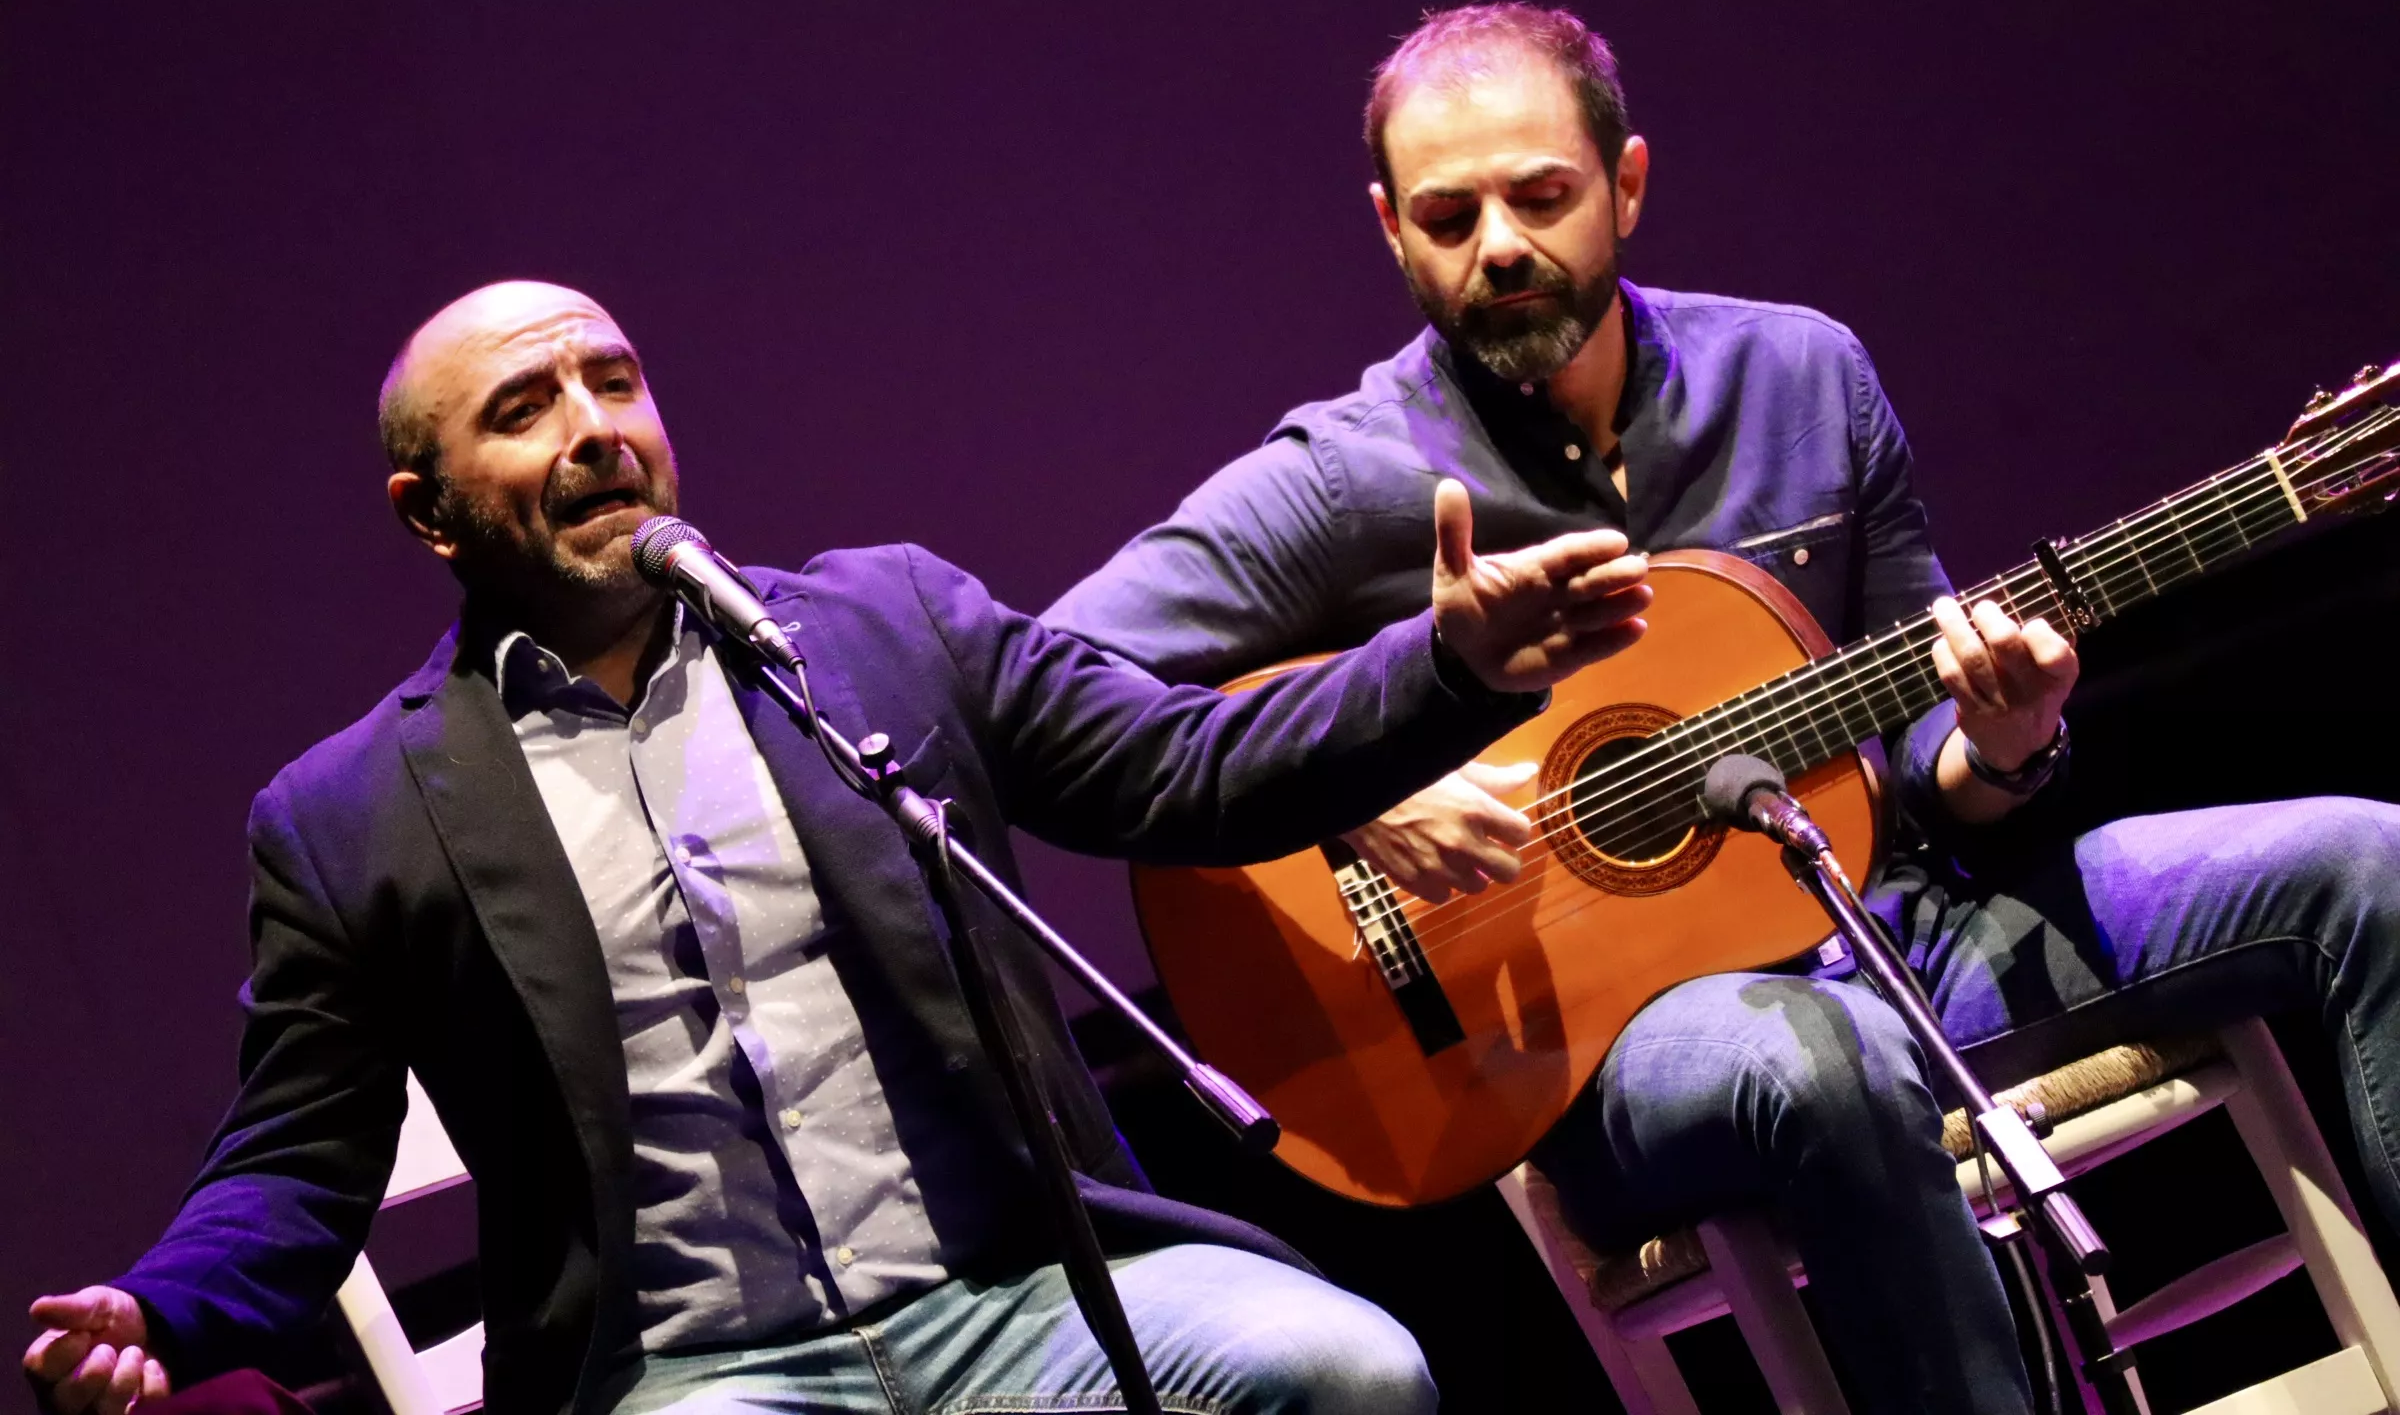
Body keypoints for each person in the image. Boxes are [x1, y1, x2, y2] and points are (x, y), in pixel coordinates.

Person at [1041, 3, 2400, 1412]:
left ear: (1626, 184)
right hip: (1634, 1059)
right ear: (1391, 230)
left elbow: (1928, 757)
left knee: (2367, 862)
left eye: (1541, 195)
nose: (1498, 245)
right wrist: (1349, 785)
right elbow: (1056, 688)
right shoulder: (1339, 484)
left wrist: (2004, 745)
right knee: (1835, 1060)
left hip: (1916, 930)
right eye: (1449, 217)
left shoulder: (1803, 376)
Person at [22, 280, 1656, 1415]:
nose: (596, 426)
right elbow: (297, 1163)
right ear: (429, 511)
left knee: (1351, 1371)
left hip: (1019, 1297)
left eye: (614, 380)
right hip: (691, 1376)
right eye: (526, 409)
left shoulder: (882, 630)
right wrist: (158, 1309)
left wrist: (1444, 666)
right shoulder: (346, 817)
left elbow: (1186, 767)